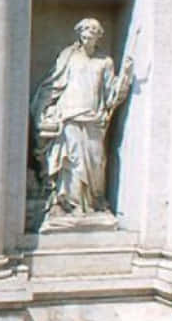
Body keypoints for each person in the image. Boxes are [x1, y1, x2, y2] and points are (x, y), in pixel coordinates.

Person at [31, 18, 132, 220]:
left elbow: (111, 93)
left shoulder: (105, 61)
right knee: (72, 161)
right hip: (69, 115)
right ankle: (70, 204)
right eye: (86, 30)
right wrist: (44, 109)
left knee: (96, 161)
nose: (89, 33)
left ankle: (92, 204)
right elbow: (54, 83)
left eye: (93, 30)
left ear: (99, 35)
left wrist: (125, 76)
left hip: (93, 118)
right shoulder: (68, 57)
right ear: (80, 33)